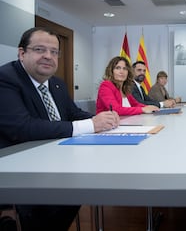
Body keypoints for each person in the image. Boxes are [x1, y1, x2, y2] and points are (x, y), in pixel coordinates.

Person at [0, 27, 120, 230]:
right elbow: (22, 128)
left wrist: (103, 119)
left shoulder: (56, 83)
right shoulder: (6, 78)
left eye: (54, 52)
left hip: (59, 160)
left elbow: (74, 114)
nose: (48, 56)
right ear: (22, 53)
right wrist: (91, 124)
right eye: (40, 49)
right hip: (21, 170)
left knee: (86, 183)